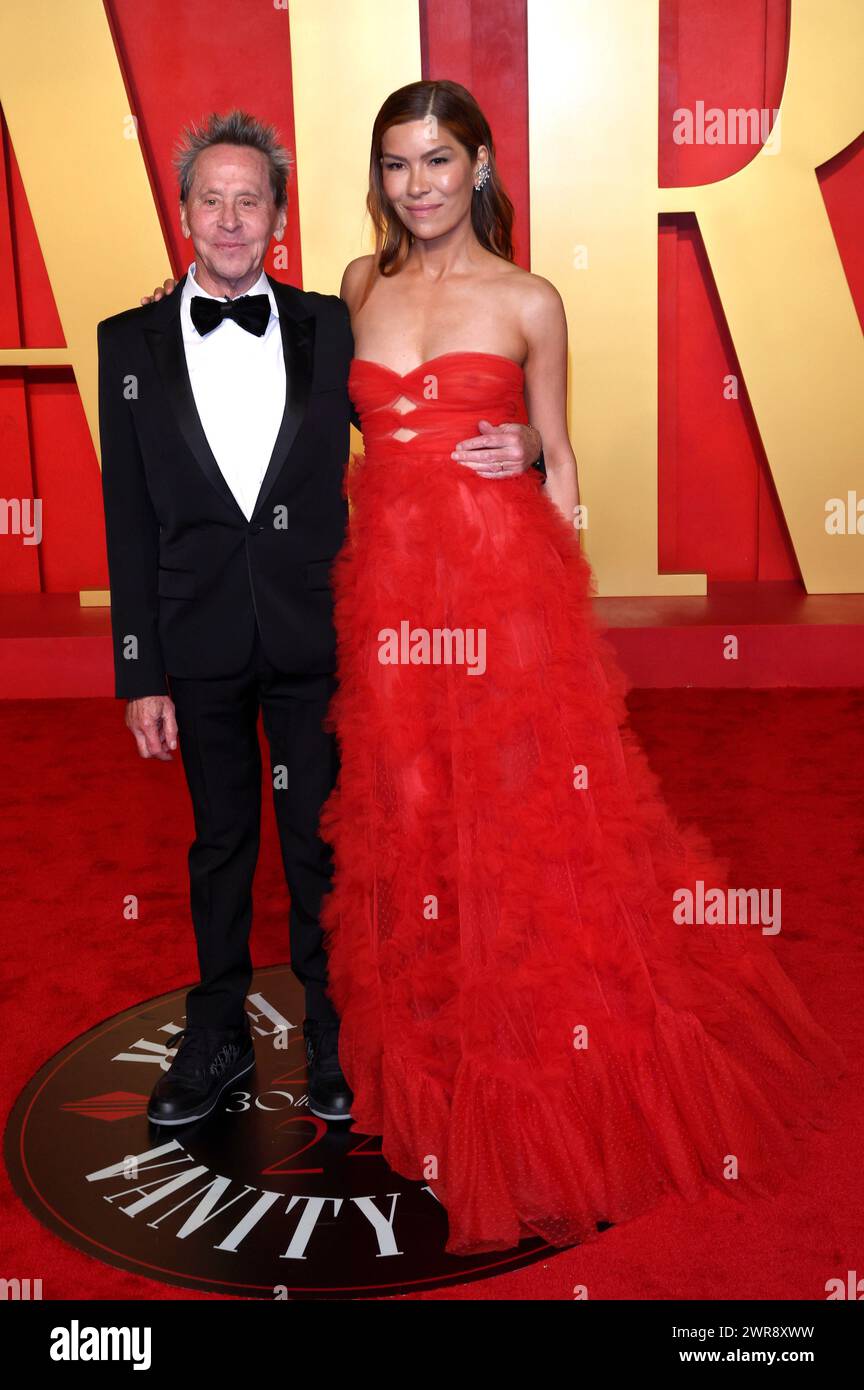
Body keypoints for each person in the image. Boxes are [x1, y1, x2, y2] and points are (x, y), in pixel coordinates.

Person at [313, 80, 847, 1255]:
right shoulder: (357, 287)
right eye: (399, 164)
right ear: (381, 177)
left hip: (502, 593)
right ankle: (434, 1060)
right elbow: (320, 419)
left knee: (512, 817)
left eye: (440, 160)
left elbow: (559, 465)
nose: (419, 185)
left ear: (481, 166)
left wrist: (526, 465)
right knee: (408, 812)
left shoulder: (530, 300)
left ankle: (539, 1064)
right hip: (390, 596)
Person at [101, 108, 544, 1129]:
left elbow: (417, 423)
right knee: (219, 847)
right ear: (182, 212)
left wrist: (523, 439)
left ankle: (340, 1034)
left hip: (320, 636)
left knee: (321, 845)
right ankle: (215, 1035)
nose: (227, 217)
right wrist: (140, 671)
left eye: (248, 199)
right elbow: (125, 520)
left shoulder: (332, 319)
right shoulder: (129, 343)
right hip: (196, 642)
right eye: (209, 198)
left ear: (277, 218)